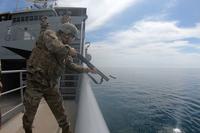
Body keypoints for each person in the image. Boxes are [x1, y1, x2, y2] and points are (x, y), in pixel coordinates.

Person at [22, 22, 96, 133]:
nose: (72, 40)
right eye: (72, 37)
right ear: (66, 34)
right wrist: (68, 50)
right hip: (35, 84)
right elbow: (54, 46)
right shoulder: (49, 35)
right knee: (29, 116)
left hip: (51, 86)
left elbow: (71, 66)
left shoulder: (64, 50)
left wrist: (88, 69)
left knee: (62, 114)